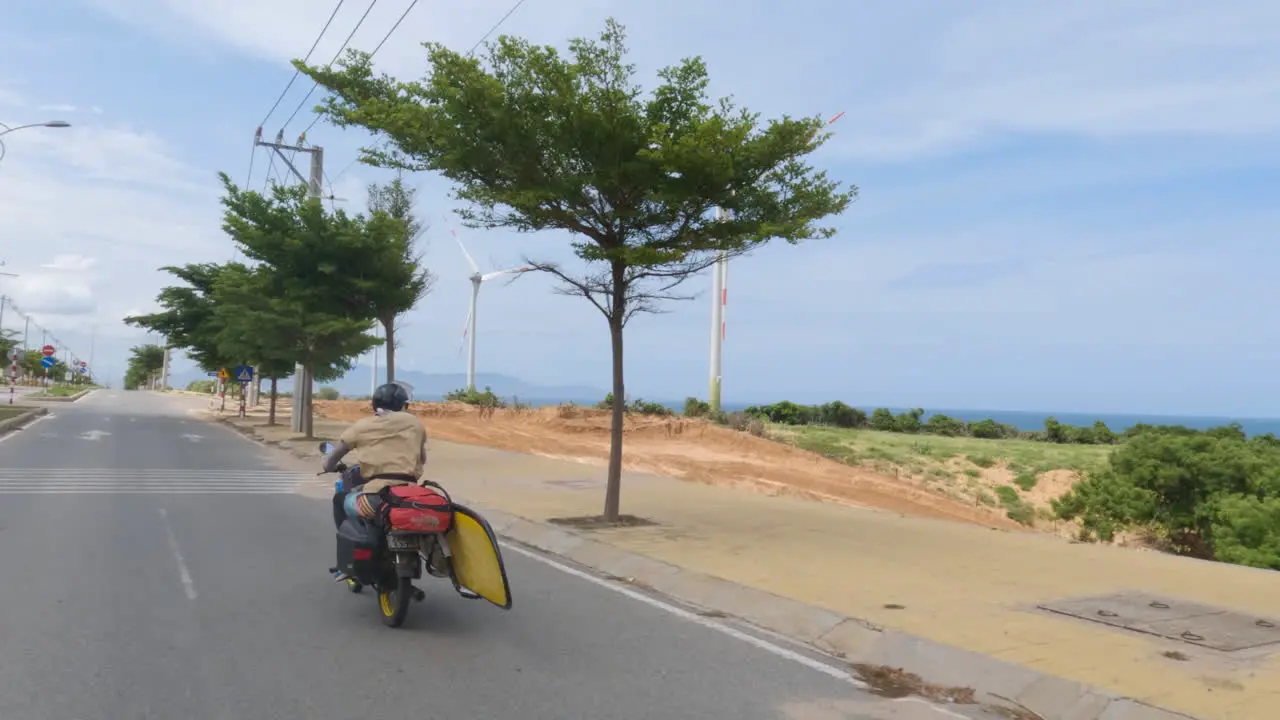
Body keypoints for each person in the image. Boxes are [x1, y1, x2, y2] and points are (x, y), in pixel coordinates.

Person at [324, 382, 427, 581]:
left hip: (376, 498)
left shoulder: (362, 426)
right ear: (403, 405)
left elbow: (333, 457)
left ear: (374, 405)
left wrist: (326, 465)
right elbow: (421, 459)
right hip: (409, 496)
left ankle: (346, 561)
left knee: (340, 500)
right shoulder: (416, 424)